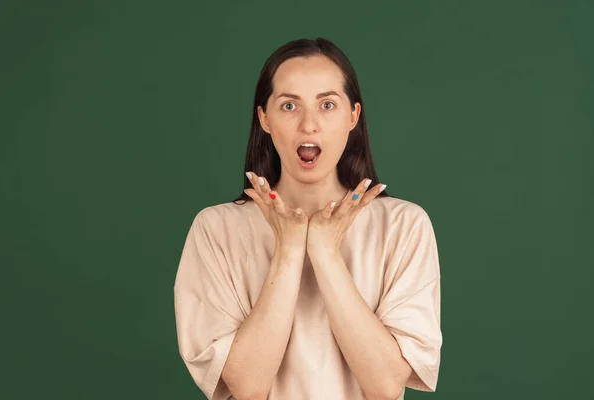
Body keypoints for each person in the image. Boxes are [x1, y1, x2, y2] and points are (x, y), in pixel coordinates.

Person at [173, 38, 442, 400]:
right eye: (289, 105)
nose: (309, 125)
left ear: (353, 116)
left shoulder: (403, 226)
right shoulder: (216, 229)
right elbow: (248, 388)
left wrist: (326, 252)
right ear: (264, 118)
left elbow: (385, 386)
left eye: (327, 104)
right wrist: (288, 249)